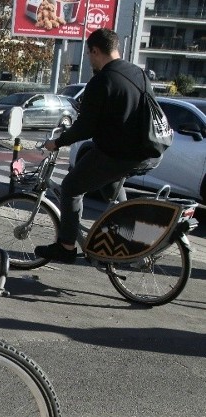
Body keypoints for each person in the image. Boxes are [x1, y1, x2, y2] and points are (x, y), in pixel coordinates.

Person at [34, 28, 163, 263]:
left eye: (88, 54)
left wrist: (57, 142)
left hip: (119, 152)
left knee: (71, 187)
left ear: (95, 51)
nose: (89, 60)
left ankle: (66, 246)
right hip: (143, 151)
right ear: (117, 49)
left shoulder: (102, 80)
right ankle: (131, 242)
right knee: (111, 192)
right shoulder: (138, 73)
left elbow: (85, 127)